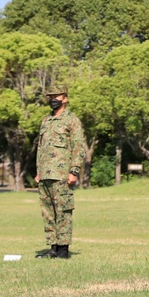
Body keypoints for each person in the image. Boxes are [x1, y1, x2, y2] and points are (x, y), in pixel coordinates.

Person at [34, 85, 87, 259]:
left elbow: (78, 147)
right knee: (48, 212)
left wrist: (74, 171)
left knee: (63, 211)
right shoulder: (46, 121)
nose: (52, 100)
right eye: (50, 97)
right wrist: (39, 171)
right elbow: (41, 148)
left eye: (55, 96)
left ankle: (63, 250)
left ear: (64, 98)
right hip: (45, 174)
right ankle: (53, 247)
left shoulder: (71, 120)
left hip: (62, 174)